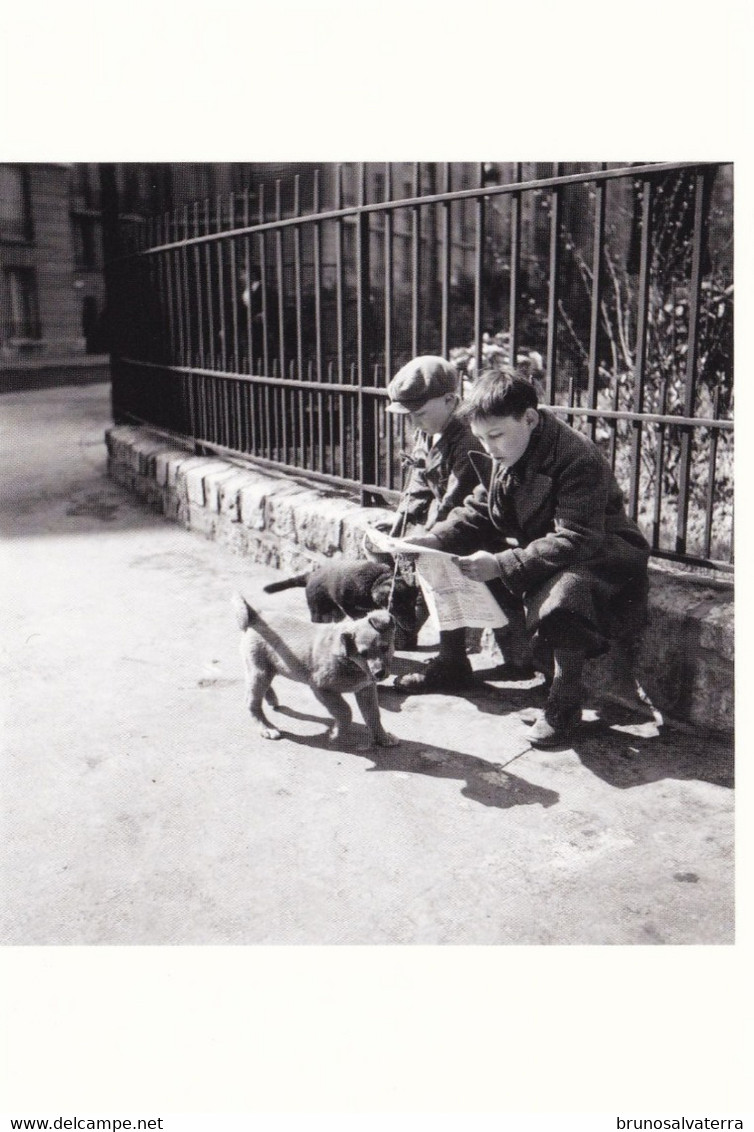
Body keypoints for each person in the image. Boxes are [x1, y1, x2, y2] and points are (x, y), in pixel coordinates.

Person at [404, 367, 651, 748]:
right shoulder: (506, 446)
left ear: (530, 418)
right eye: (481, 437)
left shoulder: (575, 456)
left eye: (496, 436)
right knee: (447, 554)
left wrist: (503, 564)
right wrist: (434, 539)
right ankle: (452, 662)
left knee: (567, 592)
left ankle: (564, 705)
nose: (488, 448)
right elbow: (481, 508)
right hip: (547, 545)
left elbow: (577, 537)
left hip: (601, 554)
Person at [379, 355, 487, 689]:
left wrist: (423, 538)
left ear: (451, 401)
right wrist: (399, 529)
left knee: (438, 561)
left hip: (474, 527)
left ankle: (452, 661)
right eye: (409, 416)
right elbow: (419, 486)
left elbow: (457, 503)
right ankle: (403, 626)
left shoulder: (467, 440)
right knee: (397, 548)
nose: (414, 423)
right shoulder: (433, 431)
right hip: (449, 523)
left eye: (419, 414)